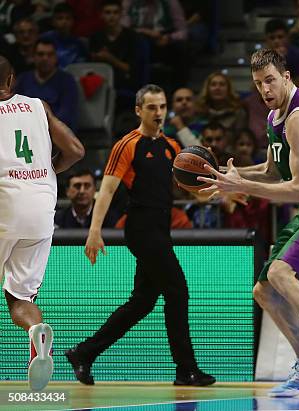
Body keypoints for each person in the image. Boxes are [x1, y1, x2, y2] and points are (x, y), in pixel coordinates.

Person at [198, 48, 299, 397]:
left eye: (270, 80)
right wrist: (227, 176)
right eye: (259, 84)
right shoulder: (276, 115)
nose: (265, 89)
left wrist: (241, 186)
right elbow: (275, 170)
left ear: (287, 77)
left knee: (279, 274)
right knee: (263, 291)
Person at [64, 84, 215, 387]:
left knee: (142, 303)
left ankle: (84, 353)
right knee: (177, 290)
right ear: (138, 110)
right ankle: (186, 370)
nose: (158, 113)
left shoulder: (173, 147)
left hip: (161, 228)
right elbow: (106, 190)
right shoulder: (126, 145)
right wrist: (94, 231)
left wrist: (219, 191)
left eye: (161, 107)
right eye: (151, 107)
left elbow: (193, 192)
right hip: (141, 228)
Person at [0, 55, 84, 390]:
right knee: (21, 298)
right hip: (40, 205)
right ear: (11, 81)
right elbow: (76, 150)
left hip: (4, 200)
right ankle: (36, 333)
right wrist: (47, 171)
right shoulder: (38, 106)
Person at [14, 39, 79, 130]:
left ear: (56, 57)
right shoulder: (23, 79)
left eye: (50, 55)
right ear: (33, 57)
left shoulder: (67, 81)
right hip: (26, 132)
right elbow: (14, 110)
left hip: (56, 134)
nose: (45, 58)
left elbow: (66, 115)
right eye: (40, 54)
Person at [54, 169, 119, 229]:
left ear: (94, 190)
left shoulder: (109, 217)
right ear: (67, 191)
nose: (82, 191)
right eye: (77, 186)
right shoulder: (57, 220)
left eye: (87, 186)